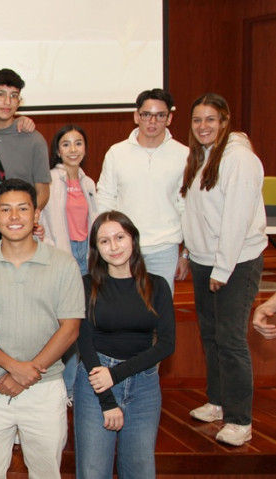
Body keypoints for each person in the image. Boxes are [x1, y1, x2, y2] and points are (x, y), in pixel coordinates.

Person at [0, 179, 84, 479]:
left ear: (36, 215)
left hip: (45, 388)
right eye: (5, 209)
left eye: (23, 209)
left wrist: (29, 372)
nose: (14, 217)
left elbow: (70, 328)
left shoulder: (63, 264)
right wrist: (13, 368)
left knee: (46, 473)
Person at [182, 93, 265, 447]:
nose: (203, 126)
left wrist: (223, 268)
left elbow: (236, 219)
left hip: (235, 262)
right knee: (211, 335)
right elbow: (195, 211)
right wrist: (188, 250)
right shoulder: (202, 156)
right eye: (198, 120)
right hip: (204, 260)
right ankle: (217, 401)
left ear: (225, 120)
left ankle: (239, 419)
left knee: (231, 340)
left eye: (210, 120)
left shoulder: (241, 160)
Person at [74, 211, 175, 479]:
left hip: (144, 384)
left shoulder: (158, 286)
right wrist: (107, 400)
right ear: (96, 248)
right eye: (104, 241)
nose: (114, 246)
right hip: (96, 381)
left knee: (140, 470)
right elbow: (84, 341)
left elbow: (166, 344)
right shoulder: (86, 285)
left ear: (133, 240)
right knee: (93, 471)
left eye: (120, 237)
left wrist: (115, 375)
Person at [97, 88, 189, 293]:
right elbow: (105, 199)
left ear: (170, 118)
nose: (153, 121)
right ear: (136, 116)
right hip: (123, 248)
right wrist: (106, 242)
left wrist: (185, 254)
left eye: (160, 115)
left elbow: (186, 206)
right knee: (124, 309)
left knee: (160, 310)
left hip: (165, 248)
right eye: (146, 114)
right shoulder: (117, 152)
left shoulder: (183, 155)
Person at [0, 68, 51, 211]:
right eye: (0, 94)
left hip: (19, 223)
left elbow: (43, 193)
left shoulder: (34, 140)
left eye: (14, 96)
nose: (7, 102)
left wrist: (26, 216)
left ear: (19, 102)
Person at [41, 124, 98, 275]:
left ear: (85, 149)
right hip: (60, 251)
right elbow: (39, 219)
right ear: (58, 151)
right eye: (66, 145)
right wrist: (48, 244)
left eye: (78, 143)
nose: (73, 150)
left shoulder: (89, 183)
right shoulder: (48, 180)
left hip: (86, 251)